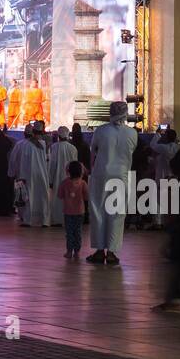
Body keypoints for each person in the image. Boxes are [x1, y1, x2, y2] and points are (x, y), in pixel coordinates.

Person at [87, 101, 138, 265]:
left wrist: (91, 170)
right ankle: (111, 252)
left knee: (98, 210)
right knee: (117, 213)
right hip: (121, 176)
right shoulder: (132, 133)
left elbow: (93, 151)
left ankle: (99, 250)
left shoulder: (101, 131)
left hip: (101, 174)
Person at [9, 122, 50, 227]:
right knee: (43, 196)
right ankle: (45, 220)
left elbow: (21, 161)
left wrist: (19, 176)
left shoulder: (26, 144)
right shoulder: (45, 144)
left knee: (29, 196)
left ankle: (28, 220)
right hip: (43, 174)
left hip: (29, 174)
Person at [46, 125, 77, 227]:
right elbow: (75, 164)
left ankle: (56, 219)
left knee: (56, 198)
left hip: (57, 178)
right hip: (70, 178)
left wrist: (50, 179)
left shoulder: (54, 147)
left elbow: (52, 165)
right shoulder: (73, 148)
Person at [59, 160, 90, 259]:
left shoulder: (64, 182)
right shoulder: (83, 183)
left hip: (68, 212)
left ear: (68, 171)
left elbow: (60, 195)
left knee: (69, 232)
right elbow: (87, 197)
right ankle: (77, 252)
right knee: (78, 232)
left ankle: (69, 251)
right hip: (80, 212)